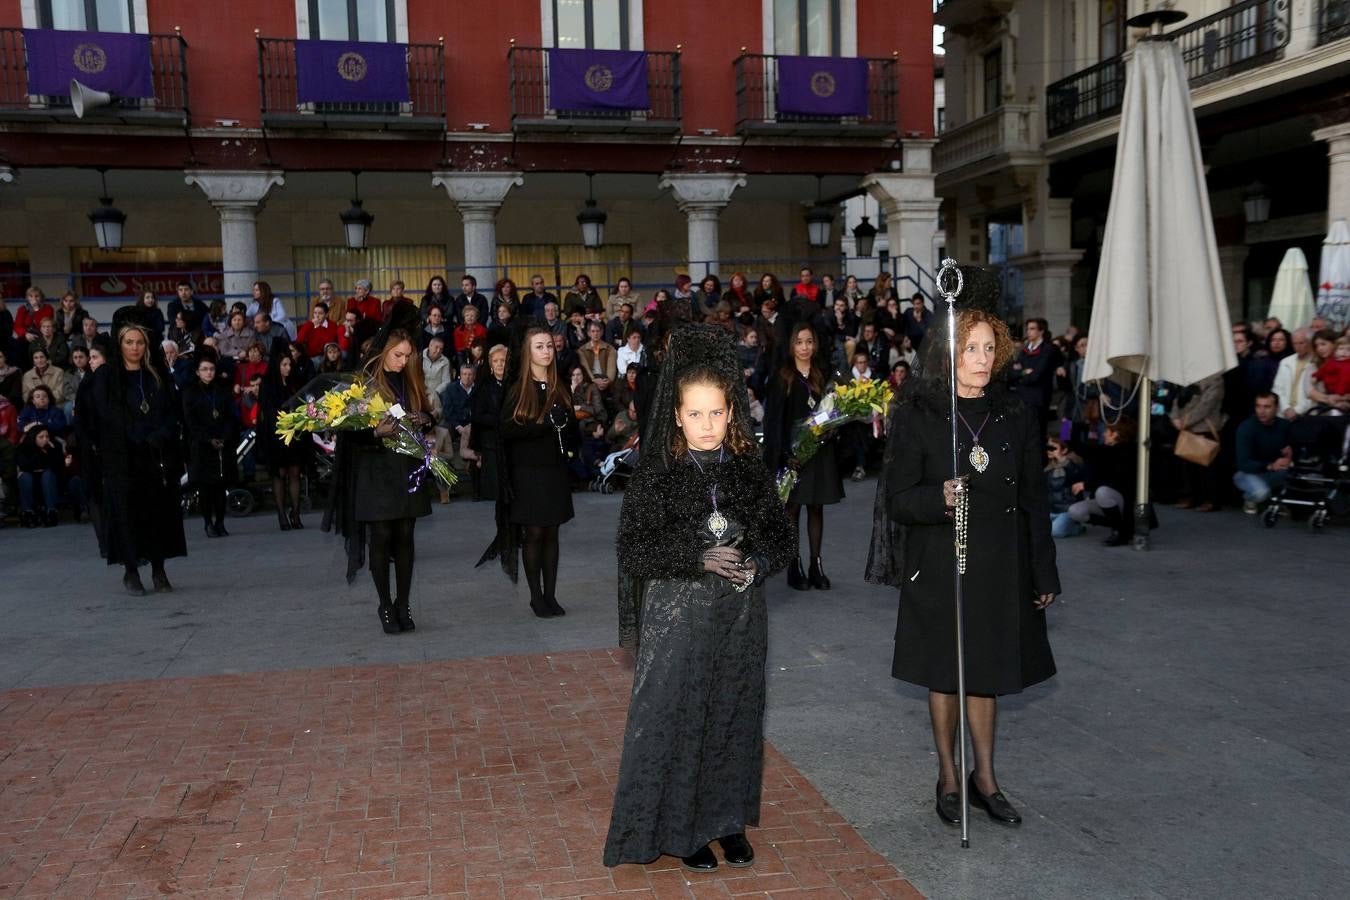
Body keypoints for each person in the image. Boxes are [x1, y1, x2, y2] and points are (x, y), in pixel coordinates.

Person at [605, 324, 793, 872]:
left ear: (731, 413)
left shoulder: (748, 470)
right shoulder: (657, 475)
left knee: (734, 713)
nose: (707, 425)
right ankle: (685, 831)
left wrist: (755, 563)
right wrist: (698, 556)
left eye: (716, 414)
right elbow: (633, 551)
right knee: (684, 718)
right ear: (678, 416)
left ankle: (727, 822)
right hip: (677, 620)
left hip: (739, 619)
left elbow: (779, 538)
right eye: (696, 415)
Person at [871, 283, 1058, 830]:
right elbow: (898, 501)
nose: (981, 359)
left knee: (987, 671)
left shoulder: (1014, 414)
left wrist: (1042, 569)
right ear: (949, 354)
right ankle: (949, 777)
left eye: (988, 348)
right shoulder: (922, 414)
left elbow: (1032, 497)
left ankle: (986, 779)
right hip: (939, 560)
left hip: (999, 561)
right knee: (945, 671)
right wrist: (939, 497)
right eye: (970, 348)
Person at [325, 313, 436, 635]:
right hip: (374, 470)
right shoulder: (363, 384)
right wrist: (375, 433)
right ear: (383, 351)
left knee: (405, 538)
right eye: (398, 355)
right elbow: (345, 430)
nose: (403, 361)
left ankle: (403, 603)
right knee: (382, 537)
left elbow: (429, 412)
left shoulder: (411, 380)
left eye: (407, 356)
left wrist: (424, 418)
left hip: (406, 469)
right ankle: (385, 605)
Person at [85, 315, 186, 596]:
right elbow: (105, 416)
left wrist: (160, 433)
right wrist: (134, 436)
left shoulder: (156, 374)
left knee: (157, 514)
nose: (135, 347)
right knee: (128, 516)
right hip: (124, 460)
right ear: (120, 344)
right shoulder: (107, 377)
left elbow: (170, 411)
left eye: (140, 342)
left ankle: (158, 570)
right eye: (129, 342)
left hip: (155, 458)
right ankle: (131, 571)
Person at [485, 326, 579, 618]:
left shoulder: (559, 384)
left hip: (554, 470)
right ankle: (536, 597)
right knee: (534, 533)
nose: (547, 352)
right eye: (539, 347)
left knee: (552, 532)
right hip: (527, 471)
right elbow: (506, 431)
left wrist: (568, 426)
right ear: (528, 352)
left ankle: (550, 595)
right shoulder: (517, 388)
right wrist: (544, 425)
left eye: (549, 346)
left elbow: (572, 428)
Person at [763, 322, 844, 591]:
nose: (805, 347)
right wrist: (785, 454)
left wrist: (831, 429)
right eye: (800, 342)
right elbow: (774, 420)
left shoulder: (823, 374)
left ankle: (815, 565)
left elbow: (833, 409)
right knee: (793, 509)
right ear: (791, 346)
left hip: (819, 452)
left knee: (817, 506)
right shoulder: (783, 377)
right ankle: (793, 564)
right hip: (794, 455)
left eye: (809, 341)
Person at [182, 354, 239, 538]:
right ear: (198, 372)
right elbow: (190, 421)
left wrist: (224, 436)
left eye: (212, 369)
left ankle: (221, 522)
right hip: (202, 445)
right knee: (205, 487)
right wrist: (208, 439)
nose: (209, 373)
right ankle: (207, 522)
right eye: (205, 369)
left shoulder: (222, 390)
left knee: (220, 487)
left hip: (223, 444)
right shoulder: (190, 392)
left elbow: (231, 416)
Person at [257, 345, 311, 531]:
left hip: (295, 435)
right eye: (284, 364)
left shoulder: (295, 383)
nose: (288, 367)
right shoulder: (268, 385)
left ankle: (295, 513)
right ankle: (281, 513)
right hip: (276, 436)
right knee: (279, 474)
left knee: (295, 472)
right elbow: (267, 412)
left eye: (289, 364)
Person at [1066, 416, 1138, 545]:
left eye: (1107, 431)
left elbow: (1117, 479)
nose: (1104, 434)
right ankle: (1120, 526)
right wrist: (1065, 425)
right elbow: (1080, 448)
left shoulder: (1129, 452)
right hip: (1109, 501)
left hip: (1125, 503)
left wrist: (1086, 485)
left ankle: (1120, 531)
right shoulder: (1105, 450)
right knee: (1075, 511)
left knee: (1102, 492)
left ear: (1115, 434)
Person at [1170, 373, 1225, 511]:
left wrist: (1185, 421)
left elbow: (1206, 405)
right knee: (1187, 465)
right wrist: (1174, 417)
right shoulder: (1186, 376)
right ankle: (1191, 497)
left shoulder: (1216, 379)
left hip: (1205, 427)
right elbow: (1177, 399)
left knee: (1206, 467)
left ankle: (1210, 499)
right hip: (1185, 427)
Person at [1232, 391, 1292, 513]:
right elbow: (1243, 463)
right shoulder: (1246, 428)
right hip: (1248, 473)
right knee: (1261, 493)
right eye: (1258, 406)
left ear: (1276, 408)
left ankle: (1277, 500)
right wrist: (1270, 465)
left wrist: (1290, 456)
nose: (1261, 411)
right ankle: (1250, 499)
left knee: (1299, 476)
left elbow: (1290, 452)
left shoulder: (1284, 425)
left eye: (1267, 407)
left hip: (1273, 472)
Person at [469, 344, 509, 502]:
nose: (500, 364)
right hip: (492, 445)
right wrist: (500, 420)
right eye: (496, 361)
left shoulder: (516, 386)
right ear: (491, 365)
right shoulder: (483, 387)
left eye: (503, 360)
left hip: (513, 444)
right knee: (497, 493)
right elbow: (477, 416)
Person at [16, 423, 63, 528]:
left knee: (48, 474)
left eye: (47, 436)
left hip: (50, 482)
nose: (45, 439)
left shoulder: (54, 447)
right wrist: (39, 454)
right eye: (41, 437)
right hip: (31, 480)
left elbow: (58, 466)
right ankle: (28, 514)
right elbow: (23, 465)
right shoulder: (23, 448)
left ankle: (51, 512)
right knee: (25, 477)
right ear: (33, 437)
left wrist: (49, 452)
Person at [1272, 328, 1315, 419]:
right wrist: (1286, 408)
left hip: (1307, 415)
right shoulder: (1285, 362)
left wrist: (1297, 410)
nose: (1297, 347)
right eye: (1295, 343)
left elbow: (1313, 393)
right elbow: (1277, 389)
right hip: (1283, 414)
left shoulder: (1315, 363)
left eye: (1301, 343)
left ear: (1309, 343)